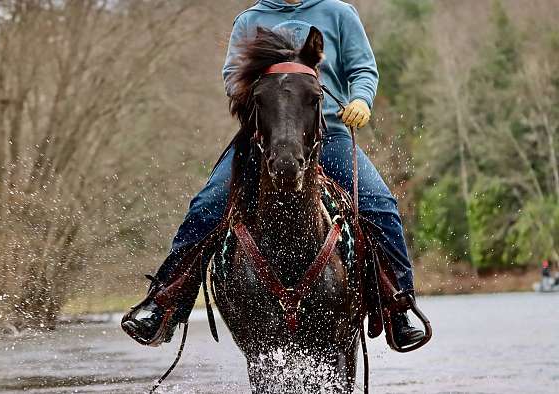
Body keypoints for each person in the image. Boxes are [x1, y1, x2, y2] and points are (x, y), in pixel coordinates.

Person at [122, 0, 425, 349]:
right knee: (206, 207)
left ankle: (398, 308)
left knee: (379, 204)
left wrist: (361, 99)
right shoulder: (249, 21)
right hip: (263, 140)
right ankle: (163, 306)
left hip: (327, 134)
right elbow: (231, 79)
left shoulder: (339, 13)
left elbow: (363, 70)